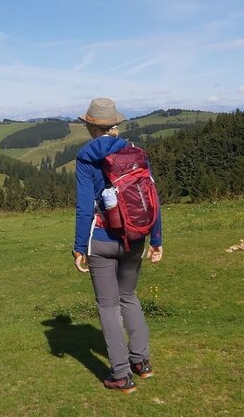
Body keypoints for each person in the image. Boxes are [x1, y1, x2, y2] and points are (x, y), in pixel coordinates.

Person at [71, 97, 163, 394]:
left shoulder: (86, 158)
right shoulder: (134, 151)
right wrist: (156, 238)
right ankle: (142, 362)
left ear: (91, 126)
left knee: (108, 306)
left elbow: (84, 207)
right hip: (135, 237)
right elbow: (151, 197)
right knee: (129, 296)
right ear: (114, 124)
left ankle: (121, 376)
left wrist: (78, 247)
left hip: (101, 240)